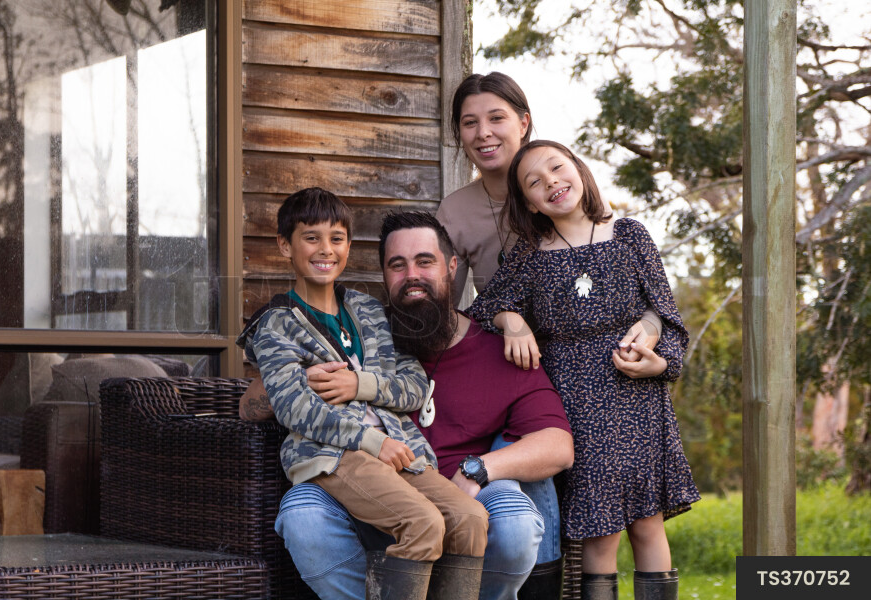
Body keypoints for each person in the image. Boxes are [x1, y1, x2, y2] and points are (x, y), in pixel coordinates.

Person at [241, 211, 575, 600]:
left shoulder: (498, 349)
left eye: (425, 261)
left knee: (513, 519)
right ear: (384, 274)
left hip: (452, 489)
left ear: (452, 267)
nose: (411, 275)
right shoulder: (364, 333)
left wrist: (478, 470)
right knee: (302, 512)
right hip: (354, 492)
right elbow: (251, 406)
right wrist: (302, 375)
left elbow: (558, 445)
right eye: (397, 265)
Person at [468, 140, 701, 600]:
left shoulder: (630, 235)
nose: (551, 182)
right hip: (577, 406)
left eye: (557, 168)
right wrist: (512, 321)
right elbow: (485, 307)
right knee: (601, 532)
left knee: (648, 525)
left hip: (638, 402)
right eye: (535, 182)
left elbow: (667, 315)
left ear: (578, 168)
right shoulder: (532, 254)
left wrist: (657, 359)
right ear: (528, 203)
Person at [236, 188, 489, 600]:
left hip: (399, 447)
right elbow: (292, 407)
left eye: (336, 238)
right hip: (335, 452)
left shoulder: (368, 311)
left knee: (470, 517)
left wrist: (362, 385)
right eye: (311, 237)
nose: (326, 249)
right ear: (286, 245)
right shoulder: (276, 324)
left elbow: (414, 387)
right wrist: (372, 440)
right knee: (422, 523)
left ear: (349, 246)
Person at [437, 71, 662, 364]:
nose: (483, 133)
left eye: (496, 118)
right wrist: (508, 320)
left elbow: (631, 292)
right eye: (470, 123)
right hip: (508, 357)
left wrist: (649, 335)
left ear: (523, 123)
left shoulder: (565, 189)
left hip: (594, 360)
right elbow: (447, 312)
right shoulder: (454, 212)